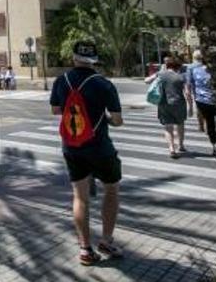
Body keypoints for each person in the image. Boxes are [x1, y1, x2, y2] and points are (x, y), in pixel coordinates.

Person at [50, 41, 124, 266]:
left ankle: (85, 249)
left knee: (80, 197)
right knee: (111, 189)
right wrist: (107, 119)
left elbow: (55, 110)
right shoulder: (103, 84)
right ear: (95, 59)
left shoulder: (61, 81)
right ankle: (107, 241)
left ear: (73, 58)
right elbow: (118, 120)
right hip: (100, 147)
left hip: (72, 147)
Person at [145, 55, 188, 159]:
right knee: (180, 124)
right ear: (178, 67)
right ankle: (181, 146)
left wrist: (159, 73)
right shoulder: (181, 76)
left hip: (164, 104)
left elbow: (146, 81)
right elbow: (187, 93)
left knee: (168, 127)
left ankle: (171, 149)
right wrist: (190, 106)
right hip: (179, 103)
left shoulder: (161, 74)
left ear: (167, 65)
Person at [186, 50, 216, 157]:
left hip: (202, 100)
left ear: (194, 57)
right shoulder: (212, 67)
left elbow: (188, 87)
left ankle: (215, 146)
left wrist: (190, 105)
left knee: (210, 123)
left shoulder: (191, 68)